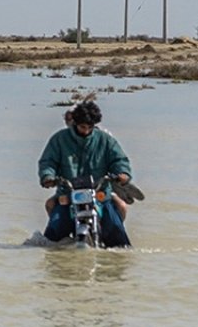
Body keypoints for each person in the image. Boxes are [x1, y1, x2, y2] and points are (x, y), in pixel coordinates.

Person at [38, 100, 136, 247]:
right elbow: (48, 162)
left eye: (90, 127)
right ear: (75, 123)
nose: (86, 131)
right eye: (83, 126)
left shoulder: (105, 140)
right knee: (53, 233)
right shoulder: (59, 139)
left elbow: (119, 160)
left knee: (118, 234)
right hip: (69, 195)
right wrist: (47, 176)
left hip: (99, 194)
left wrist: (122, 173)